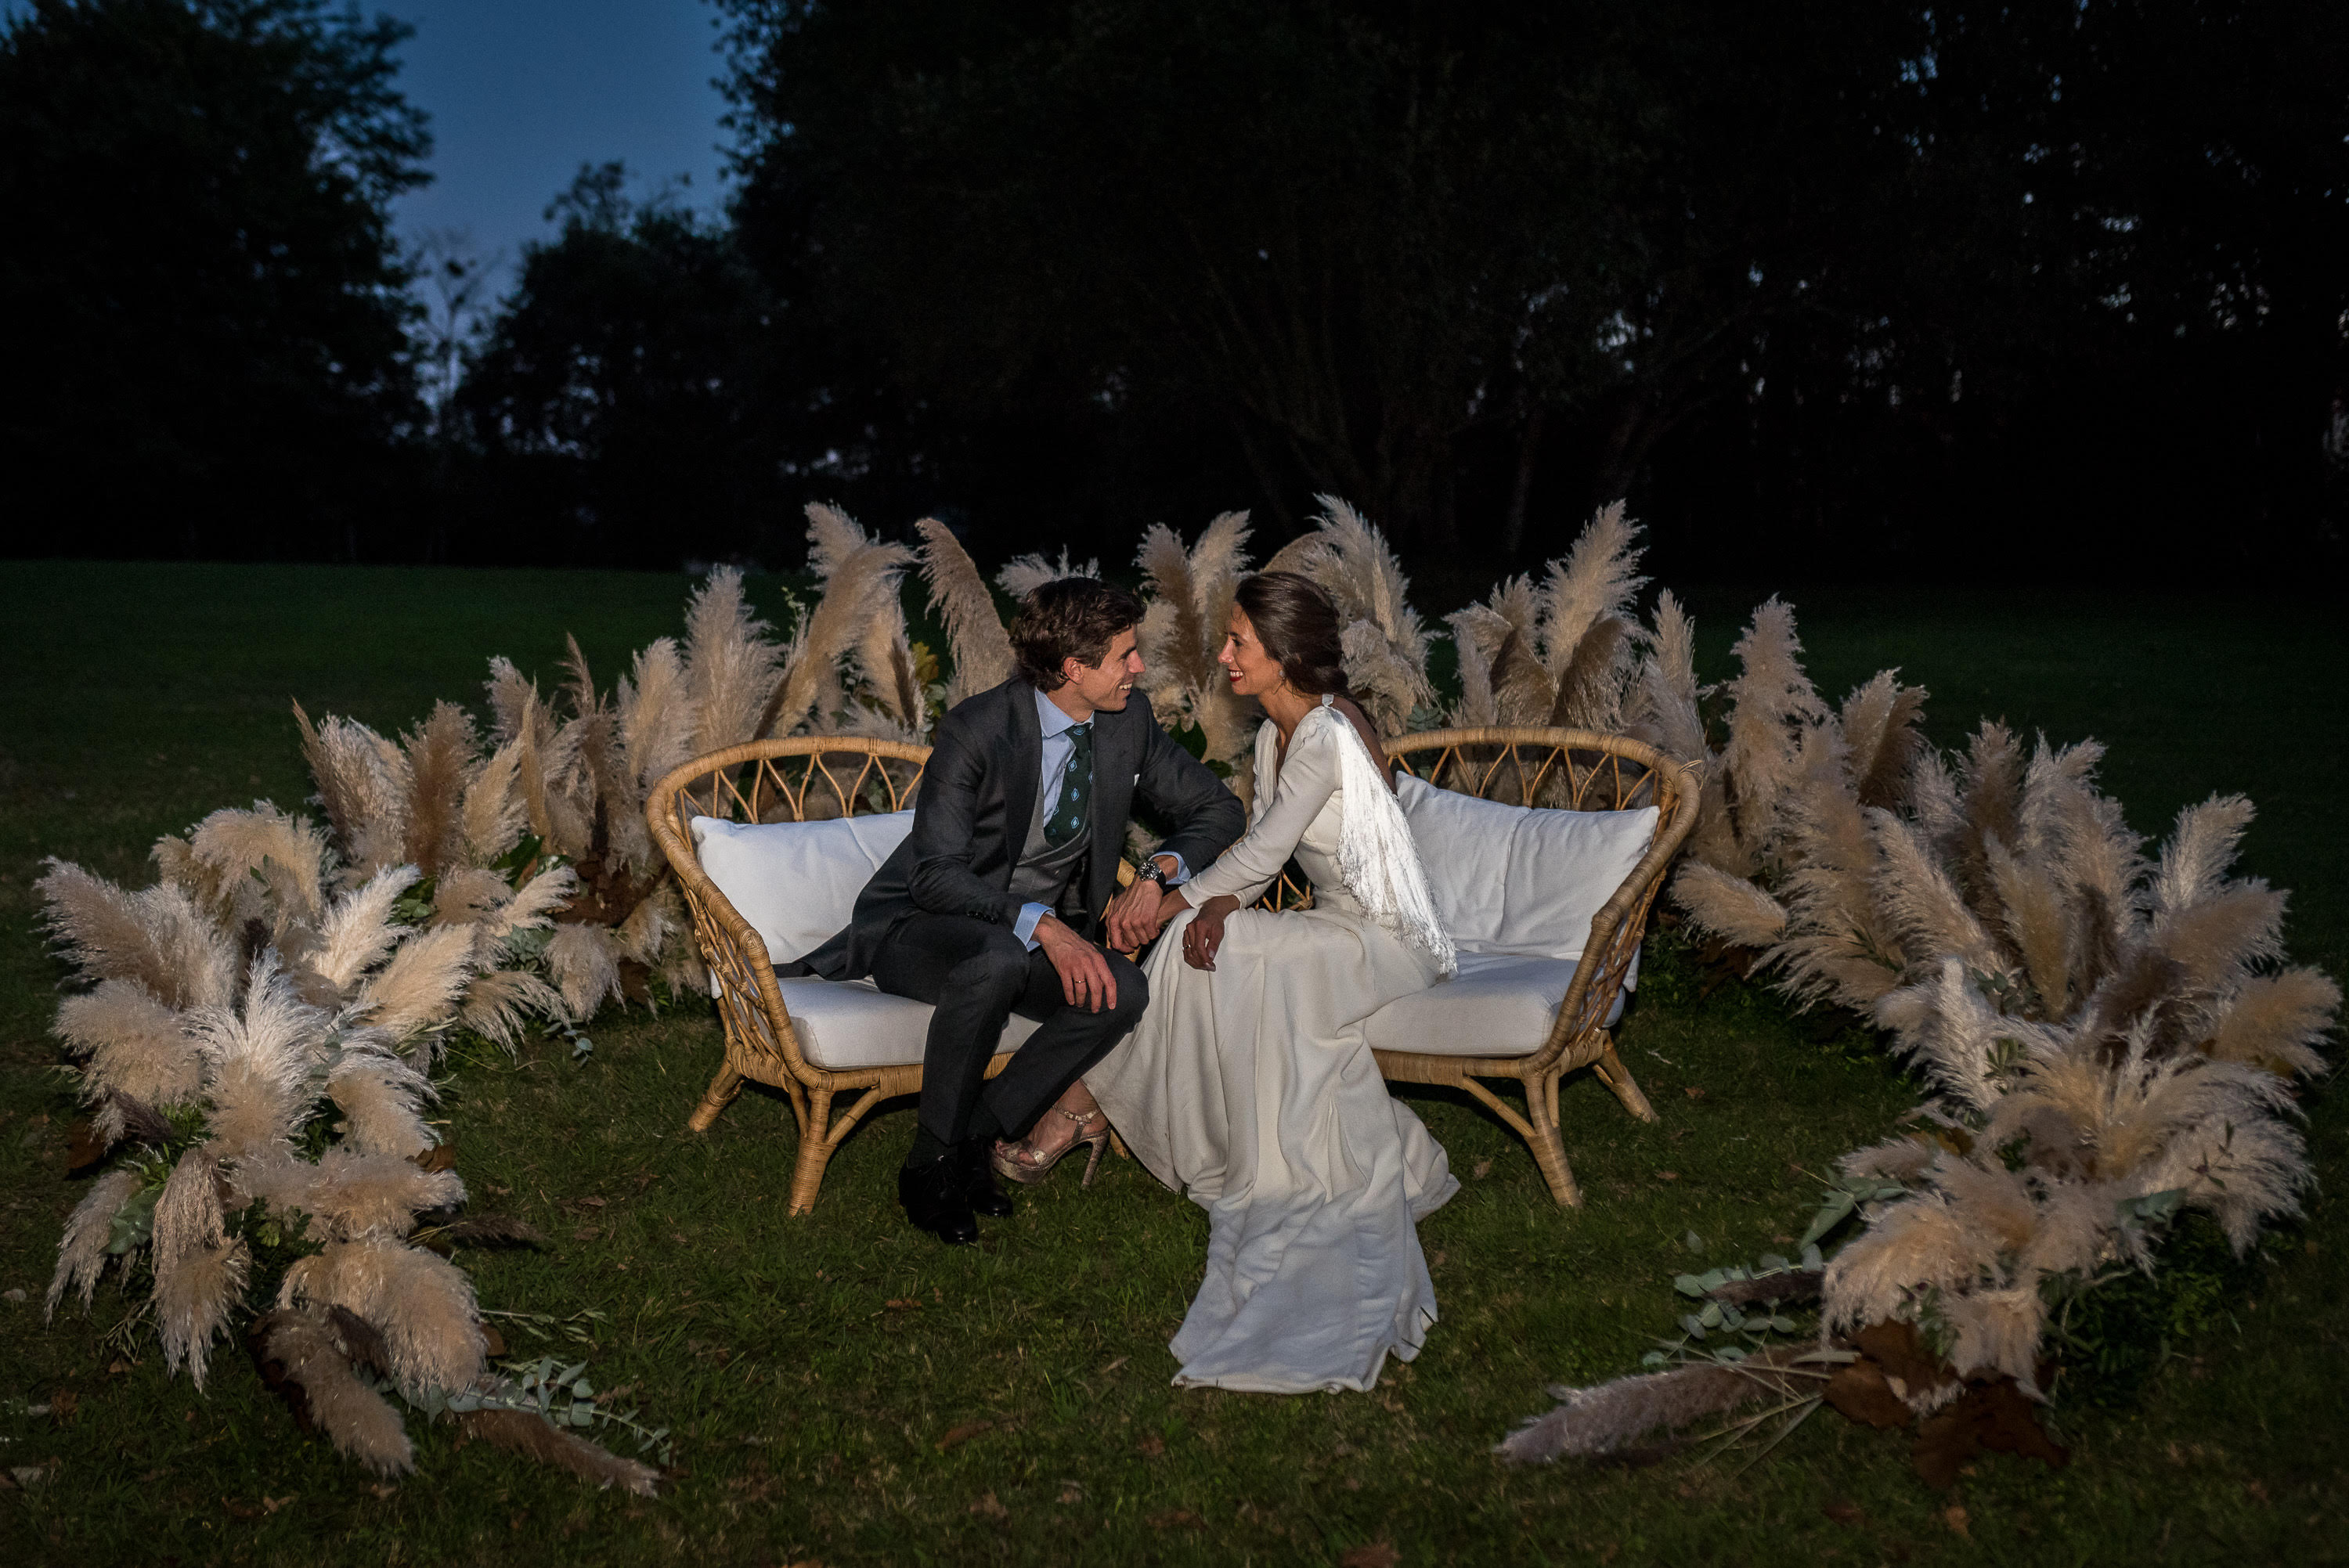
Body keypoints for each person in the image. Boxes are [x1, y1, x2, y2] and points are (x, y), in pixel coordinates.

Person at [1073, 570, 1461, 1393]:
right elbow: (1255, 857)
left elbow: (1260, 854)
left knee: (1215, 939)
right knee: (1206, 940)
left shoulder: (1325, 733)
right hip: (1333, 923)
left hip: (1385, 939)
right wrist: (1198, 908)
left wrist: (1181, 902)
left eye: (1238, 641)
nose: (1223, 654)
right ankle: (1176, 1117)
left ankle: (1104, 1098)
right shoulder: (1272, 736)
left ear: (1282, 653)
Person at [797, 578, 1246, 1245]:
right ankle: (929, 1164)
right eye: (1125, 655)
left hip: (1019, 939)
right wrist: (1045, 925)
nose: (1139, 667)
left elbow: (1219, 809)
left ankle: (977, 1134)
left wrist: (1157, 874)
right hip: (915, 930)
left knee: (1119, 990)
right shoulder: (978, 729)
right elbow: (935, 875)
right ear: (1074, 669)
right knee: (999, 955)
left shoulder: (1127, 723)